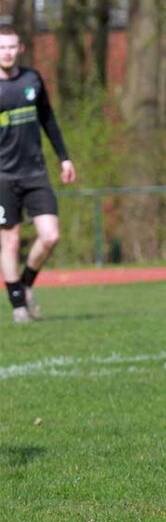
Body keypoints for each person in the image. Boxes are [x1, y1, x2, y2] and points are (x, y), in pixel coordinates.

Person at [0, 25, 75, 324]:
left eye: (11, 47)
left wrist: (64, 157)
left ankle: (26, 284)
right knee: (10, 242)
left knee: (50, 236)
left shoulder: (33, 79)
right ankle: (18, 305)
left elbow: (48, 119)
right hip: (2, 176)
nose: (6, 52)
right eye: (1, 47)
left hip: (35, 173)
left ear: (21, 49)